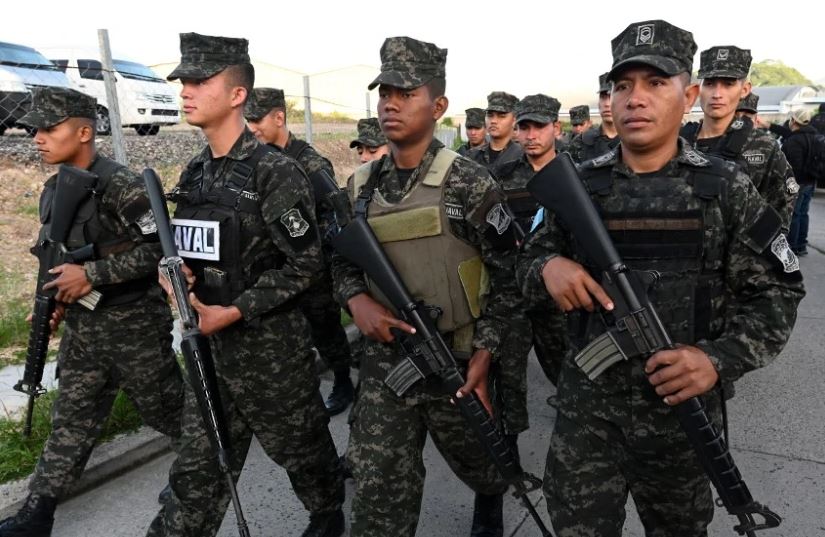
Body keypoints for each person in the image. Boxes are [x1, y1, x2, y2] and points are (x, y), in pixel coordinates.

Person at [517, 19, 804, 537]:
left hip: (679, 418)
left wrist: (717, 360)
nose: (635, 99)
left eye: (655, 82)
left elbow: (779, 291)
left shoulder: (726, 188)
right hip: (589, 412)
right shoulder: (580, 186)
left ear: (688, 94)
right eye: (623, 85)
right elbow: (525, 264)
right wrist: (546, 267)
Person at [146, 33, 344, 537]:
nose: (186, 90)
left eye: (199, 81)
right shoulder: (196, 174)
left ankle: (327, 515)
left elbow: (306, 266)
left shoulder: (276, 172)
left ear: (237, 95)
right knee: (195, 476)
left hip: (270, 353)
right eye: (183, 81)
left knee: (303, 452)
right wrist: (176, 276)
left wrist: (233, 312)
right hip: (208, 350)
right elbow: (190, 248)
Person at [332, 36, 516, 537]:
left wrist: (485, 353)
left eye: (406, 92)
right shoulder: (360, 186)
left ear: (438, 106)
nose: (391, 102)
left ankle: (491, 497)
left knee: (478, 458)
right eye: (384, 91)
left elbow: (510, 276)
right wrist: (356, 299)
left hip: (456, 356)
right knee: (377, 489)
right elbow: (339, 259)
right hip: (388, 361)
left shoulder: (469, 182)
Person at [0, 87, 184, 537]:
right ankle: (37, 512)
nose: (37, 138)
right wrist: (56, 300)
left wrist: (94, 275)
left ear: (84, 131)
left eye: (49, 128)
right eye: (33, 130)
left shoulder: (122, 184)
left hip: (134, 326)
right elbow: (59, 259)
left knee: (169, 410)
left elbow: (165, 249)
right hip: (85, 327)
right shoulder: (53, 189)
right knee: (73, 417)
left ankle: (201, 476)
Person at [245, 87, 355, 416]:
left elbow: (333, 215)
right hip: (275, 270)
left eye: (256, 119)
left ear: (279, 117)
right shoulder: (256, 160)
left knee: (324, 328)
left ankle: (342, 379)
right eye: (247, 120)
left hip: (311, 268)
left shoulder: (309, 162)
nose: (251, 127)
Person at [496, 93, 569, 389]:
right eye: (524, 127)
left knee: (566, 367)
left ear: (556, 129)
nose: (531, 135)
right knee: (507, 374)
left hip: (557, 294)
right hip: (515, 290)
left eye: (539, 127)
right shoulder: (501, 177)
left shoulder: (576, 174)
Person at [681, 45, 797, 228]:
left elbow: (781, 212)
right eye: (710, 83)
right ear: (698, 89)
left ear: (745, 89)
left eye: (728, 84)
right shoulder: (677, 142)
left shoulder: (763, 147)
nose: (717, 94)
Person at [782, 107, 820, 255]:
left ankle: (792, 246)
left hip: (797, 181)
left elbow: (791, 165)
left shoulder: (793, 141)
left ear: (794, 120)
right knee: (804, 213)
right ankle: (801, 245)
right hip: (811, 180)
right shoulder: (814, 136)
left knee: (794, 214)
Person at [568, 73, 620, 163]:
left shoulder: (635, 141)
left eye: (612, 96)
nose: (607, 104)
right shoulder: (581, 142)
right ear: (598, 103)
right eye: (603, 97)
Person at [468, 91, 522, 172]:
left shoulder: (524, 157)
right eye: (490, 115)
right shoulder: (471, 156)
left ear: (514, 120)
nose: (493, 121)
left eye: (501, 116)